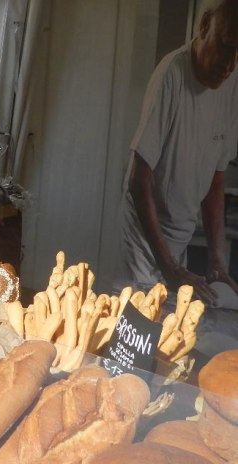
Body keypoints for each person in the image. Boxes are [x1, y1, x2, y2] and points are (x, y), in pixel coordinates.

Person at [121, 0, 238, 306]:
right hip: (146, 237)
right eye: (225, 46)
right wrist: (169, 266)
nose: (230, 63)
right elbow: (138, 178)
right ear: (203, 27)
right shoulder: (172, 75)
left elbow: (216, 177)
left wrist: (217, 260)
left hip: (182, 230)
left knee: (173, 321)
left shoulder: (232, 82)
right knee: (142, 318)